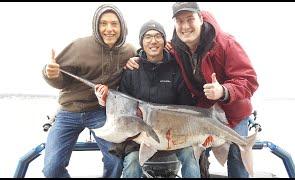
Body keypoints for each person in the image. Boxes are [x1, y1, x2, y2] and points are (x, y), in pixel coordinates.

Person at [125, 2, 259, 178]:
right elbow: (153, 52)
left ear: (201, 18)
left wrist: (224, 91)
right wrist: (137, 58)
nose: (185, 26)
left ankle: (244, 152)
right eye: (180, 21)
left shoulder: (226, 43)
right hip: (204, 114)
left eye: (190, 19)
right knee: (200, 157)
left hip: (233, 112)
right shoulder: (175, 47)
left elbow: (250, 80)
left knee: (236, 158)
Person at [95, 20, 201, 178]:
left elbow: (186, 107)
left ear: (164, 41)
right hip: (139, 136)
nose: (153, 41)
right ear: (141, 42)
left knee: (191, 158)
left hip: (173, 134)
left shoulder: (176, 69)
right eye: (148, 37)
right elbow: (123, 108)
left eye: (158, 36)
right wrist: (104, 101)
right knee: (131, 163)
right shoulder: (131, 70)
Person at [42, 4, 136, 178]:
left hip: (100, 112)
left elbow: (150, 54)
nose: (109, 29)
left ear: (122, 27)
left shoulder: (128, 50)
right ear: (96, 26)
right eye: (103, 24)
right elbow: (58, 78)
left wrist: (166, 50)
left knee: (115, 161)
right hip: (69, 111)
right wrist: (51, 74)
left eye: (114, 24)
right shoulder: (79, 47)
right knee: (51, 168)